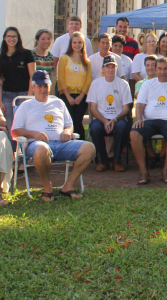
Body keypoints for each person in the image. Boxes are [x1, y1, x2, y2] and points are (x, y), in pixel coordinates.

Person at [11, 71, 95, 201]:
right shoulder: (25, 106)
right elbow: (15, 131)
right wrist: (33, 134)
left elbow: (69, 125)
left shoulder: (58, 103)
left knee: (89, 148)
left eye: (46, 86)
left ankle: (68, 185)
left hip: (61, 144)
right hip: (36, 145)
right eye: (40, 86)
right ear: (33, 87)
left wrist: (67, 131)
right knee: (42, 149)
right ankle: (47, 186)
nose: (43, 89)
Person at [130, 57, 167, 184]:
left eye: (165, 68)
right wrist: (139, 119)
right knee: (134, 133)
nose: (162, 71)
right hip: (149, 121)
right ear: (155, 69)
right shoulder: (147, 85)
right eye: (159, 68)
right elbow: (139, 104)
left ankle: (165, 171)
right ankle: (144, 172)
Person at [87, 56, 133, 172]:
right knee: (94, 127)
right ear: (102, 68)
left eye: (113, 67)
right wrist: (104, 121)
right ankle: (103, 160)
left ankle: (117, 160)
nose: (110, 70)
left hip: (118, 119)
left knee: (122, 127)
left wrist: (114, 120)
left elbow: (126, 108)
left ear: (116, 68)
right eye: (107, 67)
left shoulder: (123, 84)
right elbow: (93, 108)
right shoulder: (95, 84)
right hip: (101, 119)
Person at [0, 27, 36, 138]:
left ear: (18, 38)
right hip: (7, 96)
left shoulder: (27, 54)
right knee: (11, 126)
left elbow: (33, 76)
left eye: (14, 36)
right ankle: (13, 154)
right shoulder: (0, 58)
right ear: (4, 38)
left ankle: (26, 152)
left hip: (23, 95)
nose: (11, 39)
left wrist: (29, 96)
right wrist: (0, 101)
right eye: (9, 36)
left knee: (25, 125)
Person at [55, 31, 92, 140]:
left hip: (81, 96)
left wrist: (81, 96)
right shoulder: (64, 59)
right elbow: (60, 78)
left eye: (79, 42)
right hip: (66, 95)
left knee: (78, 122)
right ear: (71, 44)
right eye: (74, 42)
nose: (77, 45)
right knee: (68, 123)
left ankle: (82, 147)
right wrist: (68, 96)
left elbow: (88, 80)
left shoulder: (87, 62)